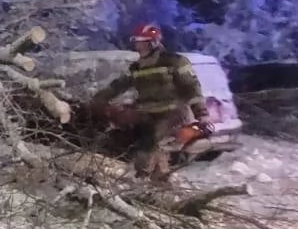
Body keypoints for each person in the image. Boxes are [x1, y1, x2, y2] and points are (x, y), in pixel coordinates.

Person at [89, 23, 213, 182]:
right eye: (136, 41)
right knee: (134, 142)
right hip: (148, 115)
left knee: (151, 146)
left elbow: (192, 88)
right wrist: (98, 100)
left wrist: (201, 114)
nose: (138, 45)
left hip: (173, 113)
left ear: (153, 42)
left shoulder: (174, 62)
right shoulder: (136, 67)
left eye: (142, 41)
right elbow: (118, 86)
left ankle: (143, 180)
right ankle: (160, 184)